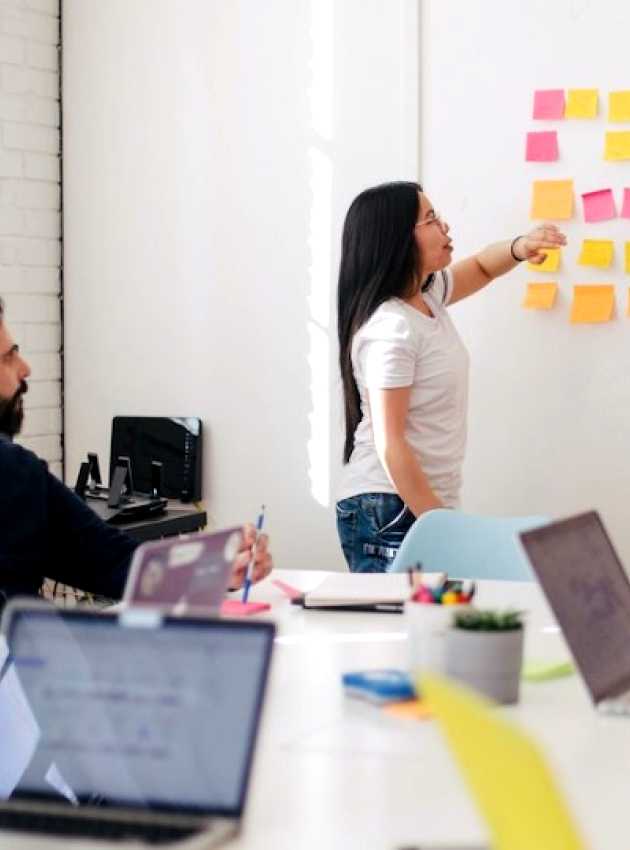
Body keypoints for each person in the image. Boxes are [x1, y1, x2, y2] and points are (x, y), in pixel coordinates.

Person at [335, 181, 566, 573]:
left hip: (417, 503)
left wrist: (520, 248)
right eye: (430, 220)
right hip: (387, 505)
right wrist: (443, 527)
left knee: (435, 627)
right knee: (405, 629)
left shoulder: (428, 299)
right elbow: (391, 445)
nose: (445, 227)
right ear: (397, 240)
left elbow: (480, 266)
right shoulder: (391, 328)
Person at [0, 297, 272, 607]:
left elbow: (115, 564)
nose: (25, 369)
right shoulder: (12, 469)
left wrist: (215, 565)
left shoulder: (19, 475)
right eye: (8, 357)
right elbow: (115, 564)